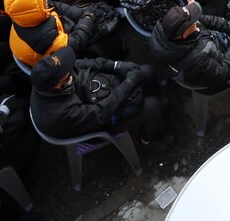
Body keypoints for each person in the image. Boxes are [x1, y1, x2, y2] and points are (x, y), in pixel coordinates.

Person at [29, 46, 171, 147]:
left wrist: (116, 66)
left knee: (146, 71)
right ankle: (148, 138)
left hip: (90, 96)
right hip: (95, 126)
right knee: (152, 106)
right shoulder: (61, 112)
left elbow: (80, 64)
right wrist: (128, 84)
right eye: (66, 72)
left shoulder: (45, 82)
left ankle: (159, 103)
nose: (70, 69)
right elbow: (100, 113)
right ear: (58, 84)